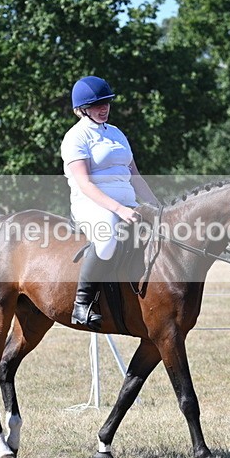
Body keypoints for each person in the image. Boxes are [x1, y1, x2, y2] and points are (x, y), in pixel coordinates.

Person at [61, 75, 159, 330]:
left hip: (126, 204)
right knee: (107, 239)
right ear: (82, 109)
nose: (103, 108)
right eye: (96, 105)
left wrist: (158, 208)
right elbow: (85, 184)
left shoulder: (116, 134)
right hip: (91, 204)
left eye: (106, 103)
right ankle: (82, 303)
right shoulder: (75, 137)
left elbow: (135, 177)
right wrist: (119, 210)